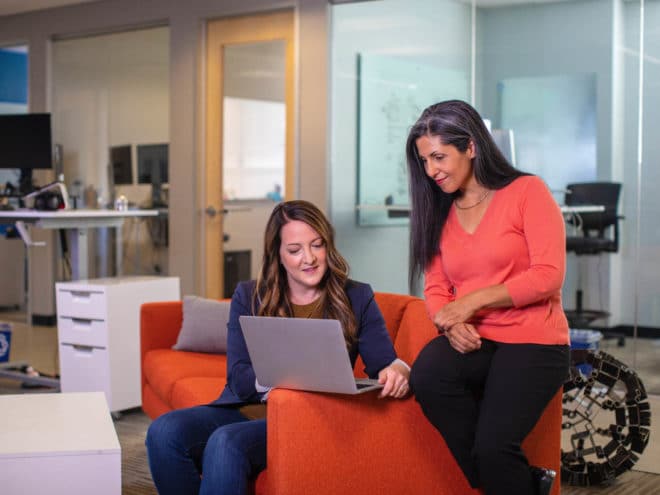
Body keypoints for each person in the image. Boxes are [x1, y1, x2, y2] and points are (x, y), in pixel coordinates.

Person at [146, 199, 410, 495]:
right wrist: (275, 377)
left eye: (317, 245)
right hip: (248, 409)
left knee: (225, 443)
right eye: (295, 250)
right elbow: (238, 376)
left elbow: (384, 364)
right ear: (278, 255)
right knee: (163, 432)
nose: (308, 258)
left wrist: (399, 370)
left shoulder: (356, 296)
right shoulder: (249, 295)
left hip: (309, 418)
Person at [405, 100, 570, 495]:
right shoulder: (439, 211)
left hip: (534, 341)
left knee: (493, 448)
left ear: (472, 147)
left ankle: (500, 470)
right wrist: (451, 320)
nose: (432, 171)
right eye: (425, 161)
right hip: (478, 339)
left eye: (440, 156)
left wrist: (472, 303)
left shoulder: (527, 191)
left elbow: (548, 276)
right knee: (428, 374)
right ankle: (524, 484)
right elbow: (436, 286)